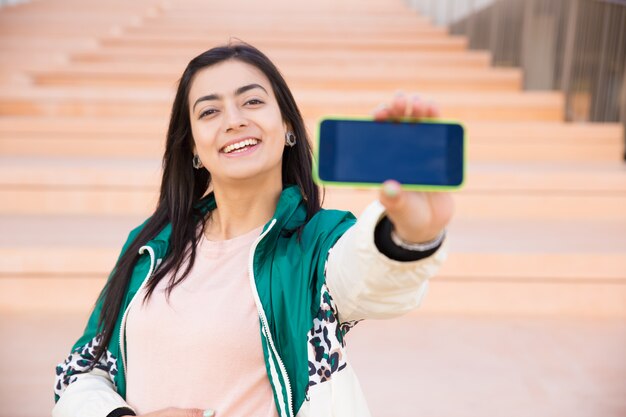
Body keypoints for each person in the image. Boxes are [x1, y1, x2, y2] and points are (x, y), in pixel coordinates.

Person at [52, 41, 453, 417]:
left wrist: (410, 234)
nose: (235, 121)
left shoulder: (317, 243)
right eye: (209, 111)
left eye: (253, 101)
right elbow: (81, 370)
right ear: (192, 146)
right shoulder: (151, 245)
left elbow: (370, 276)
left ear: (287, 126)